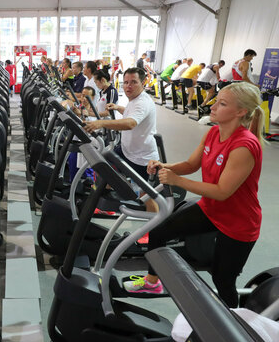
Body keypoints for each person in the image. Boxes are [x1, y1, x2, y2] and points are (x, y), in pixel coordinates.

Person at [124, 83, 264, 306]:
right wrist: (164, 166)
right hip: (211, 209)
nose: (212, 106)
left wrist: (177, 180)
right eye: (216, 101)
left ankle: (234, 320)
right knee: (159, 231)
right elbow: (191, 164)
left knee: (222, 279)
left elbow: (222, 192)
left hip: (239, 222)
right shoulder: (213, 132)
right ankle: (152, 282)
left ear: (241, 112)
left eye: (222, 104)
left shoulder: (244, 146)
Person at [84, 67, 159, 212]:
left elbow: (131, 123)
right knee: (103, 168)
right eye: (126, 82)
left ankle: (156, 223)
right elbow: (131, 114)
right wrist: (118, 108)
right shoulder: (134, 99)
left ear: (143, 82)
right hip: (126, 151)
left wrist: (101, 123)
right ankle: (108, 205)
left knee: (146, 196)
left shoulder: (143, 102)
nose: (128, 86)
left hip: (142, 158)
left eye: (133, 82)